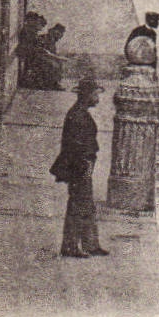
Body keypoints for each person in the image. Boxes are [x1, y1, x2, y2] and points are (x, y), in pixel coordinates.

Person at [51, 78, 107, 257]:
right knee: (78, 205)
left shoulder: (79, 113)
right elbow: (75, 146)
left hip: (83, 165)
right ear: (87, 95)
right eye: (96, 94)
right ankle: (70, 247)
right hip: (79, 167)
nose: (98, 97)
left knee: (87, 205)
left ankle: (90, 244)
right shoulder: (78, 116)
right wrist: (84, 166)